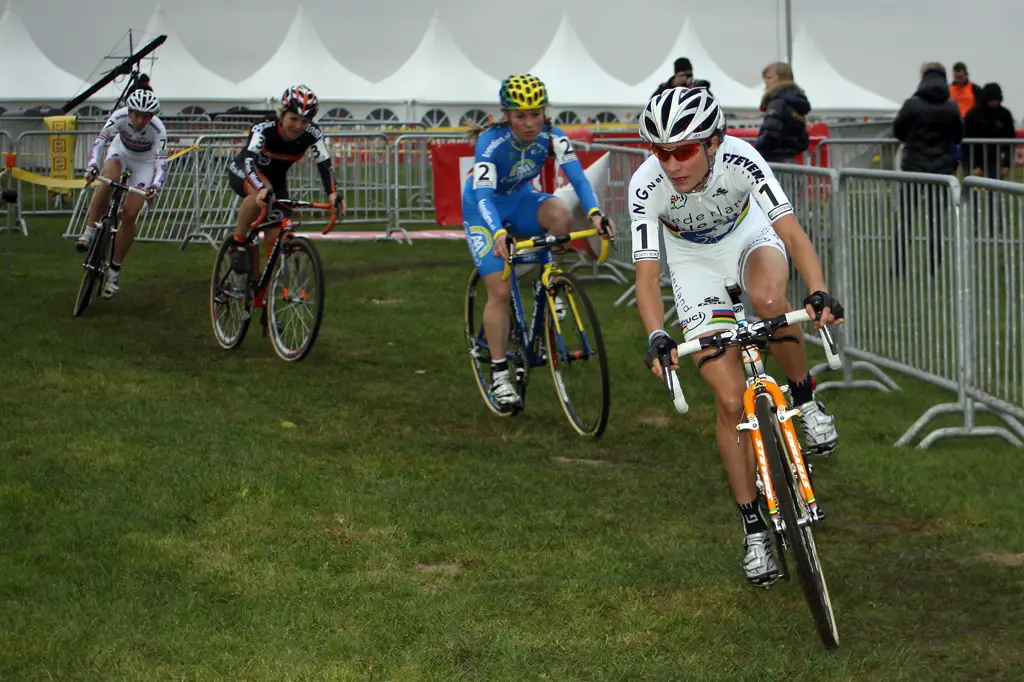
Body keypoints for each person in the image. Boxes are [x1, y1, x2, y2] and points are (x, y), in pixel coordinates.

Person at [628, 87, 843, 587]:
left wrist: (818, 291)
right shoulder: (646, 185)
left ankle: (806, 401)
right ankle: (753, 531)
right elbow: (646, 274)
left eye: (684, 150)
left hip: (750, 238)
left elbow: (790, 232)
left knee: (771, 304)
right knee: (729, 402)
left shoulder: (742, 159)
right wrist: (658, 334)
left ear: (714, 142)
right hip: (693, 264)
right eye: (661, 151)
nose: (673, 164)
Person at [463, 73, 616, 410]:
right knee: (500, 290)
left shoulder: (552, 136)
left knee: (560, 215)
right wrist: (499, 233)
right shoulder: (490, 142)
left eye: (536, 114)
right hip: (482, 208)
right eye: (521, 116)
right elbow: (485, 197)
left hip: (519, 199)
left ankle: (548, 285)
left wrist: (594, 213)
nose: (530, 123)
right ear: (507, 115)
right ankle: (500, 372)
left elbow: (578, 178)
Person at [225, 84, 343, 273]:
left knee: (275, 235)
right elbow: (249, 160)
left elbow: (324, 163)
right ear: (282, 115)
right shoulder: (264, 127)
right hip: (246, 170)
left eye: (304, 121)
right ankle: (238, 242)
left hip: (276, 180)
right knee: (260, 193)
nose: (298, 126)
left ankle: (264, 294)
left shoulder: (313, 134)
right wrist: (261, 187)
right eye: (293, 119)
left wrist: (332, 194)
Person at [78, 88, 167, 299]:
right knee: (108, 180)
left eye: (146, 116)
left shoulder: (158, 130)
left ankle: (114, 272)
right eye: (136, 114)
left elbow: (162, 163)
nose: (140, 120)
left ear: (152, 116)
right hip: (121, 152)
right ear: (129, 112)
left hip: (144, 163)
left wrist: (155, 186)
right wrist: (92, 165)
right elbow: (100, 142)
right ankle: (89, 231)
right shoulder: (118, 117)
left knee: (130, 214)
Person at [754, 62, 811, 164]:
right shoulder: (796, 102)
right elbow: (803, 138)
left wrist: (755, 150)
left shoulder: (778, 103)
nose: (766, 82)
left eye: (769, 78)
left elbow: (771, 133)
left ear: (781, 78)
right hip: (791, 161)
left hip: (774, 161)